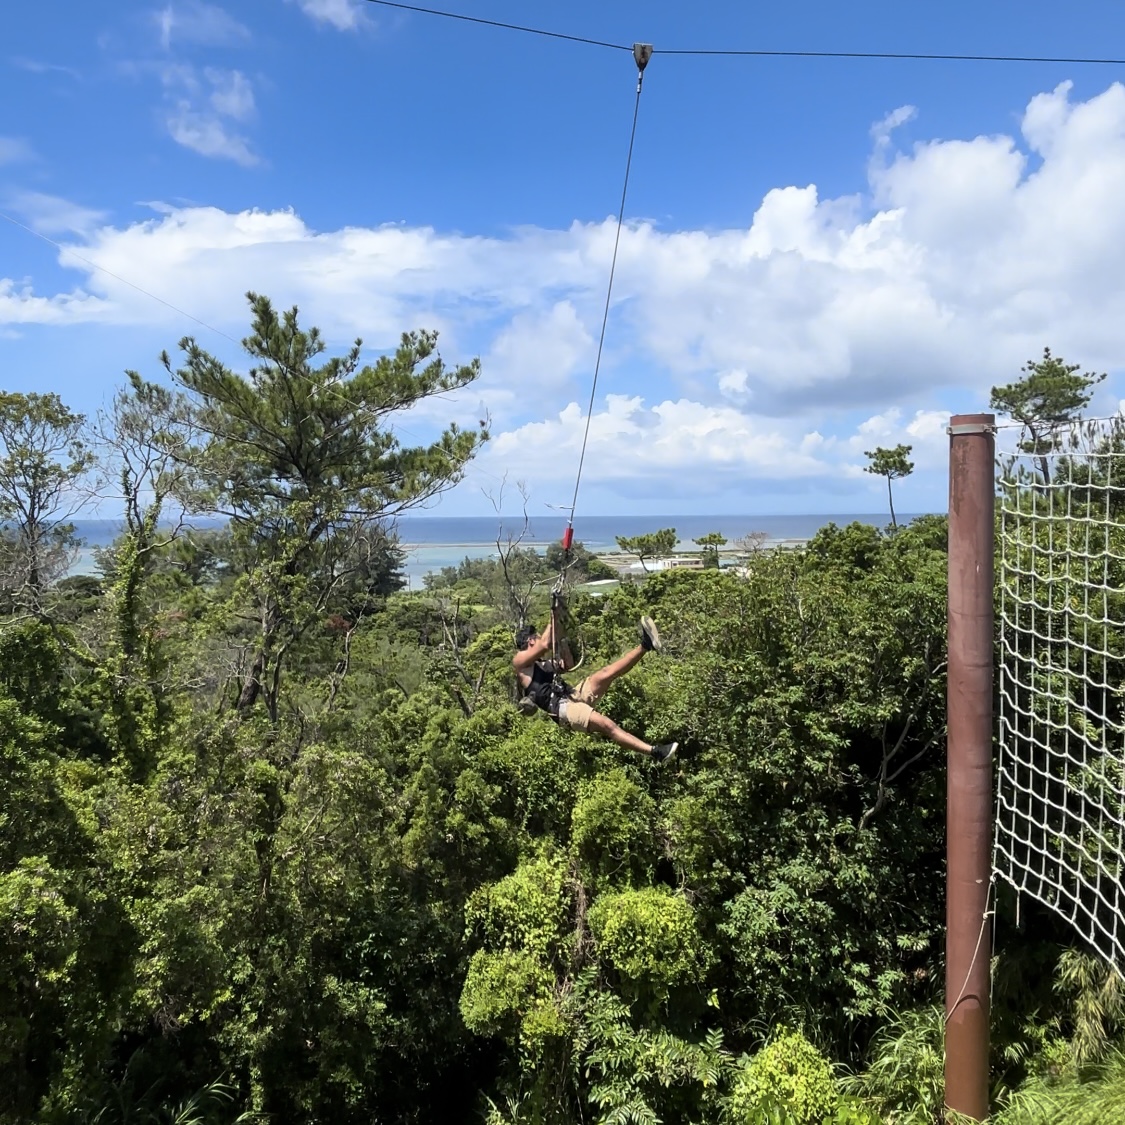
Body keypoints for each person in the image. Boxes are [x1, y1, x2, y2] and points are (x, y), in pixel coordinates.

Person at [513, 613, 677, 763]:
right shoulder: (520, 663)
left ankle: (645, 645)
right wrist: (554, 615)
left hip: (571, 694)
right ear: (531, 641)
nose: (540, 637)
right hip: (561, 709)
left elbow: (567, 664)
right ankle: (656, 752)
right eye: (537, 636)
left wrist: (562, 642)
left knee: (606, 673)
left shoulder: (542, 664)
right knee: (606, 725)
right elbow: (546, 643)